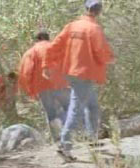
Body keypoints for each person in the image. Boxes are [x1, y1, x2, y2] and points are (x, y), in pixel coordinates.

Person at [42, 0, 114, 160]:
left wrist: (46, 64)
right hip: (85, 74)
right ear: (99, 11)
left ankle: (92, 140)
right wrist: (110, 58)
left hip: (72, 72)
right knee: (76, 109)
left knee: (93, 106)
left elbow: (54, 46)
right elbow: (102, 51)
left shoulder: (72, 26)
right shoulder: (94, 29)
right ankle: (64, 146)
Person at [17, 30, 69, 141]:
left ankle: (58, 137)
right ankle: (74, 133)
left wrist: (30, 91)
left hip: (43, 87)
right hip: (61, 84)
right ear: (48, 38)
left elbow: (26, 72)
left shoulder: (31, 52)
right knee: (69, 108)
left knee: (51, 112)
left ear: (37, 39)